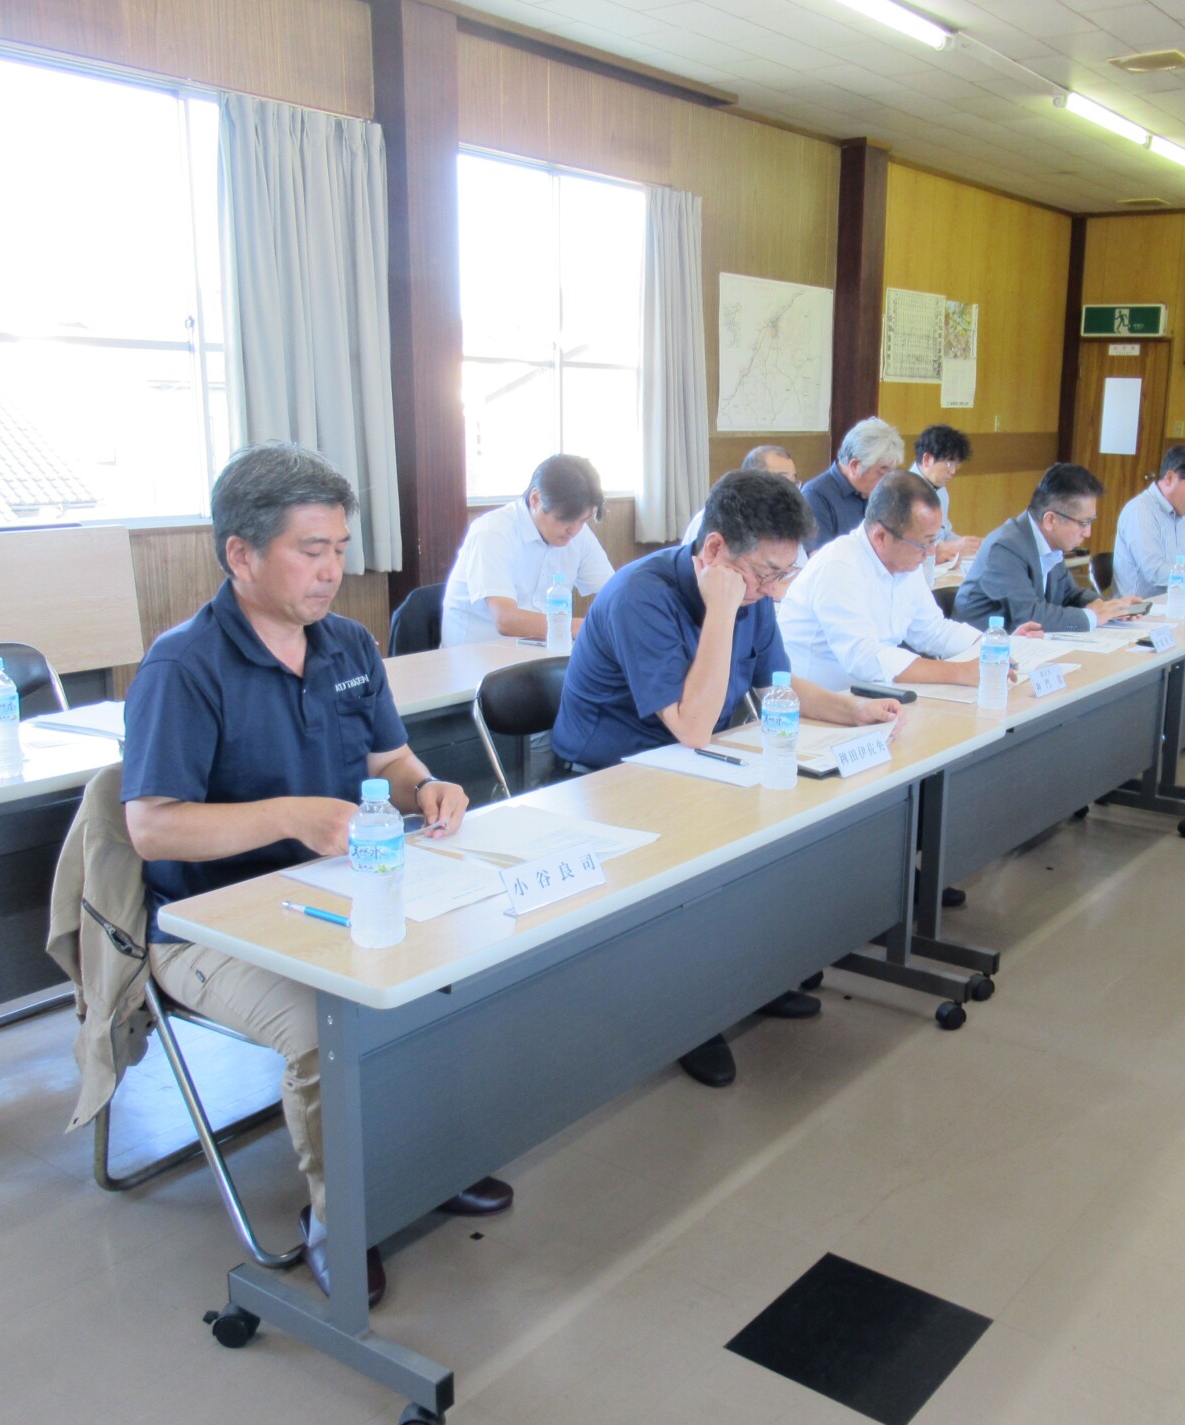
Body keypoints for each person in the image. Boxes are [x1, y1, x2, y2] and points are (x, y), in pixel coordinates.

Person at [121, 443, 511, 1307]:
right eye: (311, 550)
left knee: (457, 966)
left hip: (339, 890)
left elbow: (391, 761)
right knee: (322, 1027)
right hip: (209, 924)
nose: (333, 570)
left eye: (339, 548)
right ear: (241, 553)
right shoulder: (184, 666)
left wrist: (427, 785)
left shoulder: (348, 645)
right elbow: (151, 826)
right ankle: (346, 1215)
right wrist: (291, 815)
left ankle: (427, 1163)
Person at [552, 469, 903, 1087]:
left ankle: (750, 981)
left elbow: (776, 686)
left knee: (778, 828)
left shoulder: (753, 595)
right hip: (608, 777)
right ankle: (693, 1017)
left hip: (689, 764)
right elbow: (692, 725)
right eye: (766, 574)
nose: (773, 590)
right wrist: (720, 607)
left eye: (785, 574)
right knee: (707, 859)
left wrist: (854, 711)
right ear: (714, 549)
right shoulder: (643, 595)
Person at [779, 472, 1042, 695]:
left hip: (871, 697)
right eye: (924, 543)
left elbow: (932, 629)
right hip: (811, 710)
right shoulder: (840, 564)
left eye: (934, 540)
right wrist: (959, 672)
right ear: (881, 536)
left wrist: (991, 645)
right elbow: (864, 657)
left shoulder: (905, 561)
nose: (931, 552)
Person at [440, 454, 613, 645]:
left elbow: (615, 592)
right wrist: (586, 628)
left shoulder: (579, 534)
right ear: (536, 499)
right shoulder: (493, 532)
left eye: (582, 520)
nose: (574, 530)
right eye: (564, 519)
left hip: (540, 650)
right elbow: (505, 619)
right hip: (477, 655)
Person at [955, 463, 1145, 631]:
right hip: (983, 649)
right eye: (1083, 523)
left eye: (1091, 521)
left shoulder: (1048, 541)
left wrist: (1111, 607)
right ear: (1050, 520)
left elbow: (1069, 594)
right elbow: (1029, 616)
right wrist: (1093, 617)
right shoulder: (1005, 547)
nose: (1088, 533)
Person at [1112, 443, 1185, 599]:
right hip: (1141, 609)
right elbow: (1154, 572)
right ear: (1170, 478)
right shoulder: (1140, 510)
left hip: (1178, 602)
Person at [800, 416, 904, 551]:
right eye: (882, 472)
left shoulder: (879, 492)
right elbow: (817, 556)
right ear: (855, 466)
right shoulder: (816, 495)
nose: (887, 480)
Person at [681, 444, 799, 546]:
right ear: (753, 481)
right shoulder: (714, 518)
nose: (792, 490)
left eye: (794, 482)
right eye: (783, 480)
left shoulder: (788, 520)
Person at [910, 424, 981, 563]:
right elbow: (907, 548)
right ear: (927, 459)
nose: (953, 471)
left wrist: (973, 545)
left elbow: (943, 533)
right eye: (949, 463)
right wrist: (950, 547)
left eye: (957, 465)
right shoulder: (903, 493)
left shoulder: (940, 490)